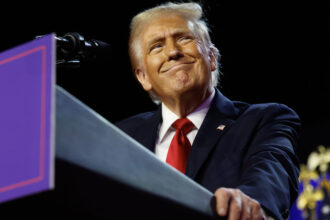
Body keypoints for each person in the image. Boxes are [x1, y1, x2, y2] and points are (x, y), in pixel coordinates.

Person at [116, 2, 301, 220]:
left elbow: (272, 172)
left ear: (212, 58)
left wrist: (251, 202)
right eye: (157, 46)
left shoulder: (264, 120)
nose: (173, 52)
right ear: (143, 77)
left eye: (184, 38)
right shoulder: (122, 137)